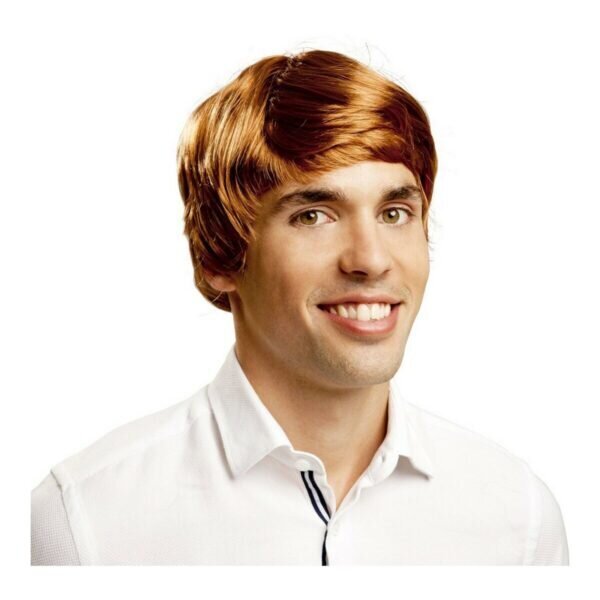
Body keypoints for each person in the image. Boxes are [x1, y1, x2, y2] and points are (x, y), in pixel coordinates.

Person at [31, 49, 569, 566]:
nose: (371, 260)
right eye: (313, 215)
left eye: (394, 212)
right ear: (220, 254)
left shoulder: (517, 520)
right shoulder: (85, 524)